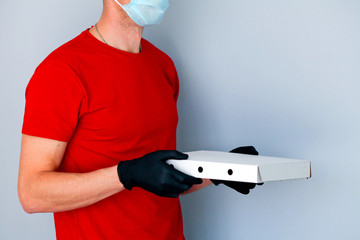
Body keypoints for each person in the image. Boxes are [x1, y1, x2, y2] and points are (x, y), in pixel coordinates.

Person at [18, 0, 259, 239]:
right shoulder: (63, 71)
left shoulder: (162, 65)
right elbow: (31, 194)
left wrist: (220, 172)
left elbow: (158, 175)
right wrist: (126, 174)